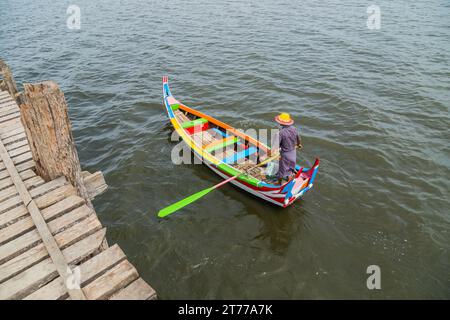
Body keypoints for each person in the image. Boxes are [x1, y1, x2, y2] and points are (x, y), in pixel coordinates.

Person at [268, 113, 302, 184]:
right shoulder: (294, 129)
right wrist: (299, 145)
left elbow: (275, 146)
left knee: (282, 169)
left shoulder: (280, 133)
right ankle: (290, 178)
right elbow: (298, 139)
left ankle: (279, 182)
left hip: (285, 154)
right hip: (293, 152)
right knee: (291, 165)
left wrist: (270, 153)